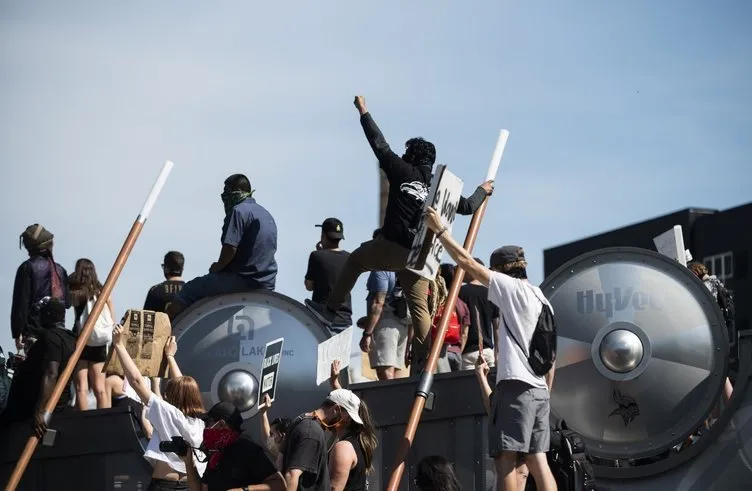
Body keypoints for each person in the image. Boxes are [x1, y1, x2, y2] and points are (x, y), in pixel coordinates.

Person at [306, 95, 494, 375]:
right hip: (421, 257)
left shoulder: (402, 170)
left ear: (412, 156)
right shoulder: (440, 186)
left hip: (394, 247)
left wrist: (363, 112)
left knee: (356, 260)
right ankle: (428, 355)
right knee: (420, 310)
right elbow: (467, 206)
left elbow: (379, 145)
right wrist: (483, 190)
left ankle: (330, 309)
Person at [423, 206, 557, 491]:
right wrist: (546, 388)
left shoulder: (512, 289)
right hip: (540, 390)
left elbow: (467, 263)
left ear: (500, 270)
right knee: (538, 460)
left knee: (505, 458)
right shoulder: (542, 297)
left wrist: (441, 231)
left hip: (517, 387)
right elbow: (552, 355)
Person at [168, 174, 278, 320]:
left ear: (236, 191)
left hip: (244, 279)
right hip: (267, 280)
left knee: (189, 290)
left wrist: (218, 267)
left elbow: (230, 248)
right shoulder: (266, 214)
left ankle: (166, 334)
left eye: (226, 191)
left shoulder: (239, 211)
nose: (224, 196)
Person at [112, 325, 207, 491]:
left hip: (164, 485)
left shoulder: (168, 413)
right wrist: (170, 357)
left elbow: (136, 381)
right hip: (189, 485)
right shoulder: (200, 424)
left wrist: (119, 345)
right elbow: (182, 388)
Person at [0, 297, 76, 436]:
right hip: (51, 403)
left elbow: (51, 373)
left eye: (41, 313)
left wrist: (40, 411)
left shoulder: (50, 338)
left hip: (27, 408)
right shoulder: (71, 339)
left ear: (47, 315)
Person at [183, 401, 285, 491]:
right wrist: (188, 461)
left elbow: (280, 485)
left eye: (208, 423)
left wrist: (244, 490)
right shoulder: (216, 452)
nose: (206, 428)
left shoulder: (246, 448)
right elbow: (200, 489)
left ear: (221, 424)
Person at [283, 389, 370, 491]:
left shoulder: (301, 421)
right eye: (348, 418)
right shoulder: (312, 431)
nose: (347, 421)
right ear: (336, 409)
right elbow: (291, 474)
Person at [11, 224, 69, 354]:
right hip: (59, 335)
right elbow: (67, 303)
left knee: (36, 372)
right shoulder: (60, 270)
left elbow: (21, 304)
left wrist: (17, 332)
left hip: (34, 334)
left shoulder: (26, 268)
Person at [358, 229, 409, 380]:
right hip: (403, 324)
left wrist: (367, 333)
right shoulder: (403, 267)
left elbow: (378, 302)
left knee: (385, 372)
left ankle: (391, 403)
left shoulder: (380, 269)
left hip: (385, 324)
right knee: (398, 373)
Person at [69, 258, 116, 410]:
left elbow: (69, 304)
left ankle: (83, 421)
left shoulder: (76, 292)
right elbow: (111, 313)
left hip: (82, 339)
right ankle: (104, 420)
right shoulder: (102, 290)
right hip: (100, 341)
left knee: (81, 387)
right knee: (100, 388)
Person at [305, 218, 352, 330]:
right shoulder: (350, 258)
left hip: (322, 319)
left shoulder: (316, 256)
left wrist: (320, 253)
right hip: (345, 320)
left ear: (323, 236)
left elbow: (309, 286)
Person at [326, 390, 377, 491]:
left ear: (348, 417)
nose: (329, 412)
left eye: (336, 409)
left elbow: (334, 488)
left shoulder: (343, 447)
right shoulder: (355, 442)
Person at [458, 258, 499, 370]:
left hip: (467, 352)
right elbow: (497, 327)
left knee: (468, 387)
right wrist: (497, 353)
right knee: (489, 386)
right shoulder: (491, 294)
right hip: (487, 351)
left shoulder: (459, 293)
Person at [259, 393, 293, 471]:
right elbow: (266, 438)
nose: (269, 437)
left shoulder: (292, 460)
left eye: (272, 434)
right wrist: (263, 412)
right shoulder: (279, 450)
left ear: (282, 436)